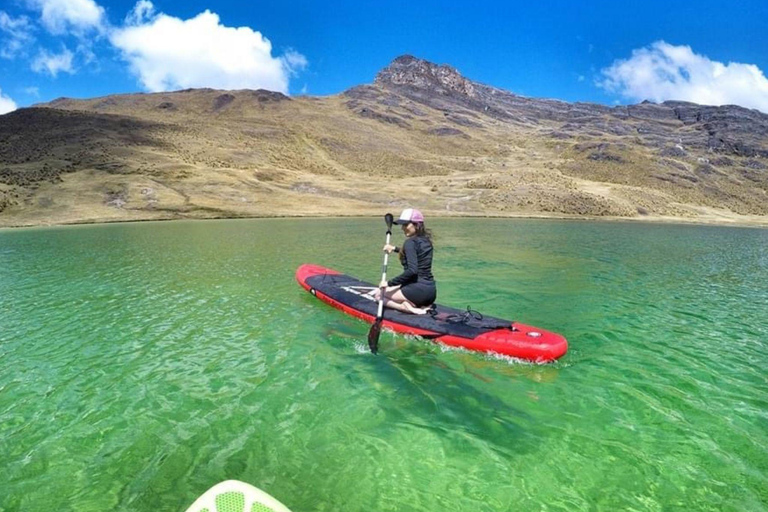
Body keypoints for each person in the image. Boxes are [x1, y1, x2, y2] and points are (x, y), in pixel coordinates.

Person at [376, 208, 437, 315]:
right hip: (430, 292)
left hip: (416, 291)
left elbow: (412, 271)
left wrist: (388, 283)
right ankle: (411, 302)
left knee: (378, 295)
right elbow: (416, 255)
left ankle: (405, 307)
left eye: (406, 225)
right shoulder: (426, 241)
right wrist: (394, 248)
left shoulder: (410, 242)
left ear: (416, 225)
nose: (403, 228)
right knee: (399, 288)